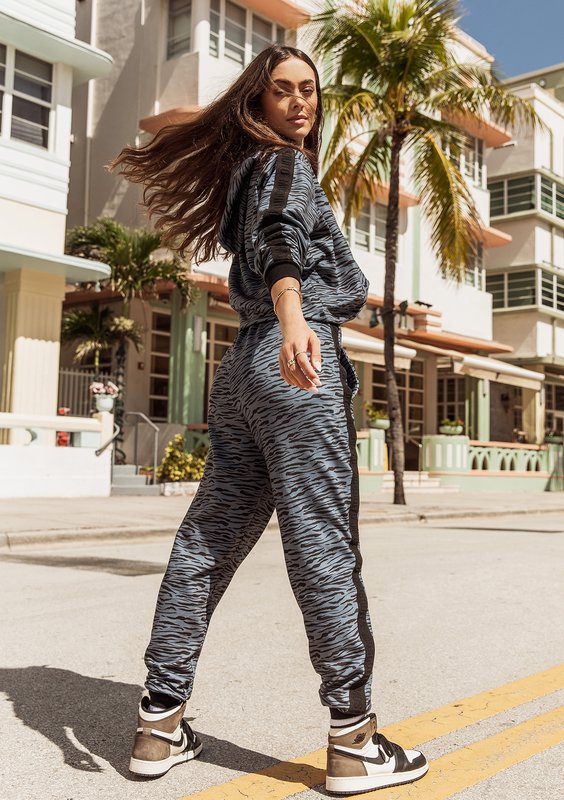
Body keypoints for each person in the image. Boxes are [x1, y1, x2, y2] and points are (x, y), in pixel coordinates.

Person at [109, 44, 428, 795]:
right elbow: (284, 240)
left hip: (241, 374)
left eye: (309, 91)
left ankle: (158, 727)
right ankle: (354, 741)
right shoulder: (284, 167)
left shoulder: (244, 177)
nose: (300, 102)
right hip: (294, 362)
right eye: (283, 90)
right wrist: (294, 317)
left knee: (206, 542)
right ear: (257, 102)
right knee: (322, 548)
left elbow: (265, 241)